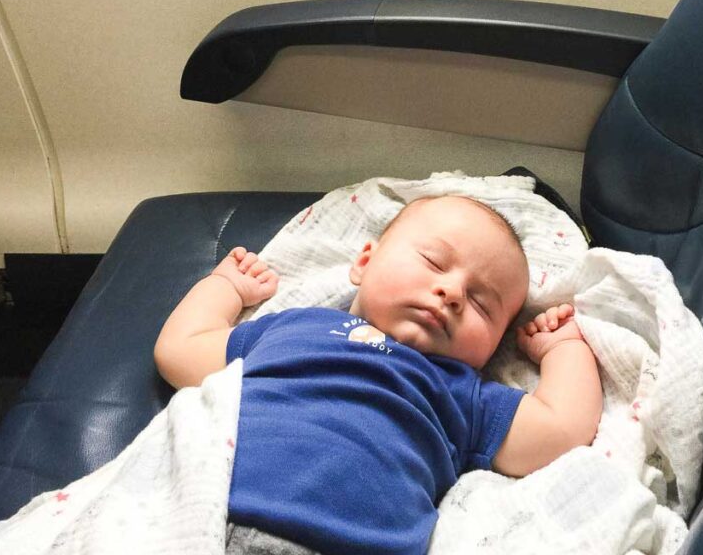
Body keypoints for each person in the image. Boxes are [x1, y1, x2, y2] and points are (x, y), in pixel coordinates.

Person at [154, 194, 604, 555]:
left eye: (482, 304)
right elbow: (180, 350)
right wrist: (227, 287)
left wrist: (562, 347)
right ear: (365, 262)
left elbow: (562, 428)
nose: (451, 293)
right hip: (204, 514)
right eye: (433, 261)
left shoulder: (461, 394)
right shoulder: (292, 326)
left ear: (491, 349)